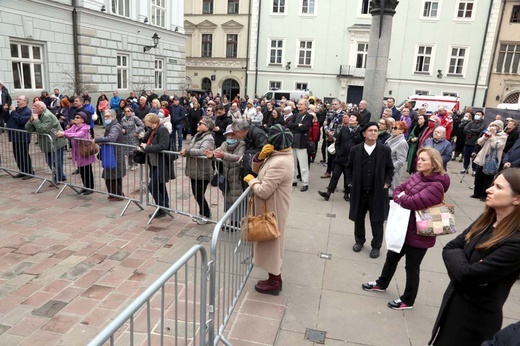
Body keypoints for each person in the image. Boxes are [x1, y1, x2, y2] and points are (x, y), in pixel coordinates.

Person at [429, 168, 520, 346]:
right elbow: (450, 247)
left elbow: (467, 275)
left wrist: (461, 263)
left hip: (474, 322)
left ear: (517, 199)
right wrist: (465, 265)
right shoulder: (486, 220)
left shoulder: (515, 242)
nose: (489, 189)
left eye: (498, 187)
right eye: (493, 184)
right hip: (453, 308)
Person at [362, 147, 450, 310]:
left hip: (420, 234)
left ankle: (408, 300)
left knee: (411, 267)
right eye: (419, 158)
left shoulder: (436, 185)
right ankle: (382, 283)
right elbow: (398, 189)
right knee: (391, 258)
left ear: (434, 163)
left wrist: (402, 198)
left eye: (424, 159)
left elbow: (413, 201)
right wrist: (401, 196)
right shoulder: (417, 176)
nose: (419, 162)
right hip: (404, 228)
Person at [243, 124, 294, 295]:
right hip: (270, 206)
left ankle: (275, 281)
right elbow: (258, 169)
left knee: (273, 244)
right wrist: (260, 156)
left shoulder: (280, 162)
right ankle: (273, 277)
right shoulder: (277, 154)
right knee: (269, 244)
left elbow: (264, 191)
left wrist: (252, 181)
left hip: (274, 208)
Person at [345, 122, 394, 259]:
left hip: (377, 191)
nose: (373, 132)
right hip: (359, 191)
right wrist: (350, 183)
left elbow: (390, 169)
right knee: (359, 218)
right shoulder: (356, 150)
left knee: (377, 220)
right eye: (370, 130)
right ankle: (359, 241)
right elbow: (348, 168)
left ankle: (376, 246)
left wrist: (387, 183)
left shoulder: (385, 150)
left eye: (375, 130)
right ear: (364, 133)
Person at [318, 112, 363, 202]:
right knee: (335, 175)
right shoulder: (344, 129)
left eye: (353, 117)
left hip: (351, 159)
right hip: (340, 157)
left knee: (347, 177)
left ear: (357, 120)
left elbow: (360, 143)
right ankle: (328, 193)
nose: (350, 118)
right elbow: (338, 142)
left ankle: (347, 193)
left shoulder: (361, 131)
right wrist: (338, 152)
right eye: (350, 117)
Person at [139, 113, 175, 218]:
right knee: (159, 185)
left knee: (152, 186)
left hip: (161, 162)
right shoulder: (152, 130)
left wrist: (147, 148)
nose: (146, 124)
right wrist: (147, 133)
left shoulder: (162, 130)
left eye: (147, 123)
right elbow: (145, 141)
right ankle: (165, 206)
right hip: (154, 162)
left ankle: (162, 208)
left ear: (153, 122)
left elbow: (163, 145)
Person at [180, 116, 215, 224]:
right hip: (193, 169)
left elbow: (203, 151)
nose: (198, 125)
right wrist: (187, 152)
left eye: (201, 123)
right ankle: (202, 213)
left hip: (202, 170)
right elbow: (192, 147)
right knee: (196, 194)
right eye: (198, 123)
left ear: (207, 127)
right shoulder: (196, 135)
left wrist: (187, 151)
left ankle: (207, 215)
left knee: (199, 194)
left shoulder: (208, 138)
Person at [206, 124, 246, 217]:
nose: (231, 137)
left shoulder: (241, 144)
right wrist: (212, 154)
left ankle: (237, 222)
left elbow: (239, 157)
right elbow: (217, 151)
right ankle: (231, 221)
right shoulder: (224, 144)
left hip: (237, 176)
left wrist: (223, 156)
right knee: (227, 198)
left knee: (237, 199)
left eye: (233, 134)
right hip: (226, 176)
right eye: (228, 135)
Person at [25, 101, 68, 184]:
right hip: (47, 143)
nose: (33, 108)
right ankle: (61, 176)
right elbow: (29, 129)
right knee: (49, 161)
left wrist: (36, 120)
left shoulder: (47, 116)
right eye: (33, 106)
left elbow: (42, 129)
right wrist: (31, 121)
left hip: (56, 141)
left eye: (35, 106)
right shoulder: (36, 115)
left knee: (56, 161)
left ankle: (59, 178)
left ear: (42, 108)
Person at [56, 112, 96, 195]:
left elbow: (78, 135)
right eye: (75, 117)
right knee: (81, 170)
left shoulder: (85, 128)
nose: (75, 119)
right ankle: (85, 186)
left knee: (87, 170)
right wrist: (61, 133)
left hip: (85, 151)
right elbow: (67, 132)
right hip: (77, 152)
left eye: (78, 117)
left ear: (83, 120)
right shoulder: (74, 126)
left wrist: (64, 134)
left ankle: (90, 187)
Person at [94, 109, 126, 201]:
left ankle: (117, 195)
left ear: (113, 117)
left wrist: (98, 140)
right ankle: (115, 194)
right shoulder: (112, 125)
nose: (105, 118)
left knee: (111, 175)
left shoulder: (115, 127)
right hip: (112, 153)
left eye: (107, 116)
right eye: (105, 116)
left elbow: (111, 138)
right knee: (113, 175)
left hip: (114, 154)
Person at [471, 120, 507, 201]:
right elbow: (479, 142)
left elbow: (496, 146)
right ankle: (476, 193)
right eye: (492, 125)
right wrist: (485, 136)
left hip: (492, 160)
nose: (492, 127)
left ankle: (484, 195)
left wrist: (493, 136)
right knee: (478, 177)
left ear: (499, 127)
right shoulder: (488, 133)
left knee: (488, 178)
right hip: (482, 158)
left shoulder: (503, 136)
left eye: (495, 126)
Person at [287, 99, 313, 192]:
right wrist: (298, 125)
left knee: (303, 164)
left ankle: (305, 183)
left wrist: (296, 127)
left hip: (302, 143)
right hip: (293, 142)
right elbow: (289, 125)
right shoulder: (295, 115)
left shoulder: (309, 116)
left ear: (306, 106)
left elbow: (305, 127)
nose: (299, 106)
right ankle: (294, 180)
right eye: (298, 104)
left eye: (301, 104)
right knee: (292, 163)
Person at [6, 95, 34, 179]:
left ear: (25, 102)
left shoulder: (27, 111)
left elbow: (22, 121)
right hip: (15, 136)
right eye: (17, 99)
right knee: (17, 154)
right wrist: (6, 111)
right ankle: (22, 170)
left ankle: (29, 172)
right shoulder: (17, 110)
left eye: (20, 99)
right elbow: (8, 120)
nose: (17, 100)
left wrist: (14, 112)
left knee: (23, 155)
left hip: (22, 137)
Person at [386, 121, 409, 196]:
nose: (393, 129)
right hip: (385, 169)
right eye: (392, 128)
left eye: (395, 128)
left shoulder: (402, 142)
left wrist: (390, 170)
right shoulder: (391, 138)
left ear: (402, 130)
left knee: (389, 192)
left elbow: (401, 161)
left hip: (392, 172)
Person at [461, 110, 485, 175]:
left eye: (479, 114)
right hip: (467, 142)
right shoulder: (471, 122)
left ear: (482, 116)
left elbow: (479, 131)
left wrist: (471, 131)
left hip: (475, 143)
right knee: (466, 156)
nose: (477, 115)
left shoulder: (483, 124)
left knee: (474, 157)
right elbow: (465, 129)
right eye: (476, 114)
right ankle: (465, 168)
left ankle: (474, 170)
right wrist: (473, 132)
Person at [121, 106, 144, 171]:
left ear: (131, 111)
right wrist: (122, 130)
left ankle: (135, 164)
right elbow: (121, 126)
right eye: (125, 111)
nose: (127, 112)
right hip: (126, 137)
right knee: (128, 152)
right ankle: (129, 164)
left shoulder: (134, 118)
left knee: (133, 151)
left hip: (133, 137)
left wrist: (137, 132)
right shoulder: (123, 119)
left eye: (128, 111)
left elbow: (141, 125)